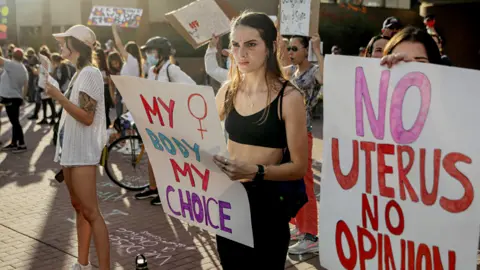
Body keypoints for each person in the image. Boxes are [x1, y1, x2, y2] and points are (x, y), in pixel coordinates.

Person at [213, 11, 308, 268]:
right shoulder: (228, 91)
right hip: (229, 203)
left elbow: (300, 167)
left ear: (271, 47)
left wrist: (255, 171)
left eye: (251, 44)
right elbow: (200, 132)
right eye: (235, 44)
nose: (241, 53)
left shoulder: (289, 98)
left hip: (267, 208)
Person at [46, 24, 110, 270]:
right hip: (71, 153)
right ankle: (82, 264)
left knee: (91, 212)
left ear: (76, 45)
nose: (60, 45)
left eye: (64, 42)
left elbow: (87, 116)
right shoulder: (79, 72)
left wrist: (58, 96)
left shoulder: (90, 73)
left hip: (83, 154)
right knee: (80, 209)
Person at [134, 36, 195, 206]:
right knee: (153, 156)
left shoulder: (171, 70)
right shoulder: (153, 70)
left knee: (166, 159)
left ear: (161, 53)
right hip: (154, 121)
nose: (148, 55)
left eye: (151, 51)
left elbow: (192, 87)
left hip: (169, 122)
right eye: (146, 52)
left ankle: (168, 192)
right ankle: (154, 187)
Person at [284, 34, 323, 255]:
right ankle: (300, 227)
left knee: (306, 184)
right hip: (289, 132)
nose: (290, 52)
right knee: (294, 182)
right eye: (289, 48)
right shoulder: (292, 71)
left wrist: (317, 50)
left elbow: (327, 80)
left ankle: (311, 236)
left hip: (303, 133)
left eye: (294, 48)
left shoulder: (313, 71)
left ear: (305, 50)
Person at [0, 48, 29, 153]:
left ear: (13, 56)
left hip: (10, 97)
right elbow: (26, 85)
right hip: (16, 97)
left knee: (15, 122)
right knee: (14, 121)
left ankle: (22, 144)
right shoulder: (23, 68)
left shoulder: (12, 65)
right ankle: (14, 143)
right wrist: (22, 98)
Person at [111, 24, 143, 118]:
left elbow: (118, 44)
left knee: (127, 123)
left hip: (129, 98)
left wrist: (114, 30)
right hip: (127, 96)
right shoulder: (133, 62)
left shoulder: (131, 60)